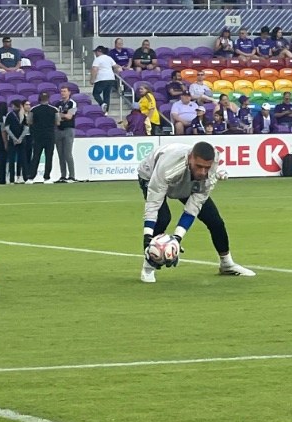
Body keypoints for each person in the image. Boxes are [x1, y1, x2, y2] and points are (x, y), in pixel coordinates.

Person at [136, 140, 254, 284]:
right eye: (199, 166)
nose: (202, 172)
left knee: (214, 220)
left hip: (186, 179)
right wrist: (147, 237)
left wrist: (177, 238)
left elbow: (193, 207)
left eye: (206, 167)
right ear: (190, 157)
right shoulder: (168, 169)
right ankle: (148, 266)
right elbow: (153, 205)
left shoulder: (210, 170)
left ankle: (226, 264)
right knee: (163, 218)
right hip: (151, 173)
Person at [29, 91, 58, 182]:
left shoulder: (33, 109)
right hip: (50, 135)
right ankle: (46, 177)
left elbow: (29, 121)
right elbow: (58, 122)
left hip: (38, 136)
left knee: (36, 157)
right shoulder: (54, 110)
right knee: (49, 157)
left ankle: (31, 177)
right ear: (49, 99)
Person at [54, 85, 77, 182]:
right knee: (60, 154)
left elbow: (69, 116)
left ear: (69, 92)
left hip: (68, 129)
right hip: (58, 129)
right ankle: (63, 175)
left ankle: (72, 175)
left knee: (67, 153)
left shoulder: (72, 103)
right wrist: (61, 115)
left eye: (64, 91)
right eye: (62, 91)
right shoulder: (57, 103)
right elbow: (55, 117)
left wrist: (60, 115)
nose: (63, 93)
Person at [90, 45, 118, 110]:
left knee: (96, 93)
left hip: (101, 78)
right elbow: (116, 66)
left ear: (99, 51)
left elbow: (95, 69)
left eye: (96, 52)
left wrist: (92, 79)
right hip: (110, 78)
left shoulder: (98, 59)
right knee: (106, 95)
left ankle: (102, 104)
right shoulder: (109, 58)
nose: (95, 54)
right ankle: (106, 111)